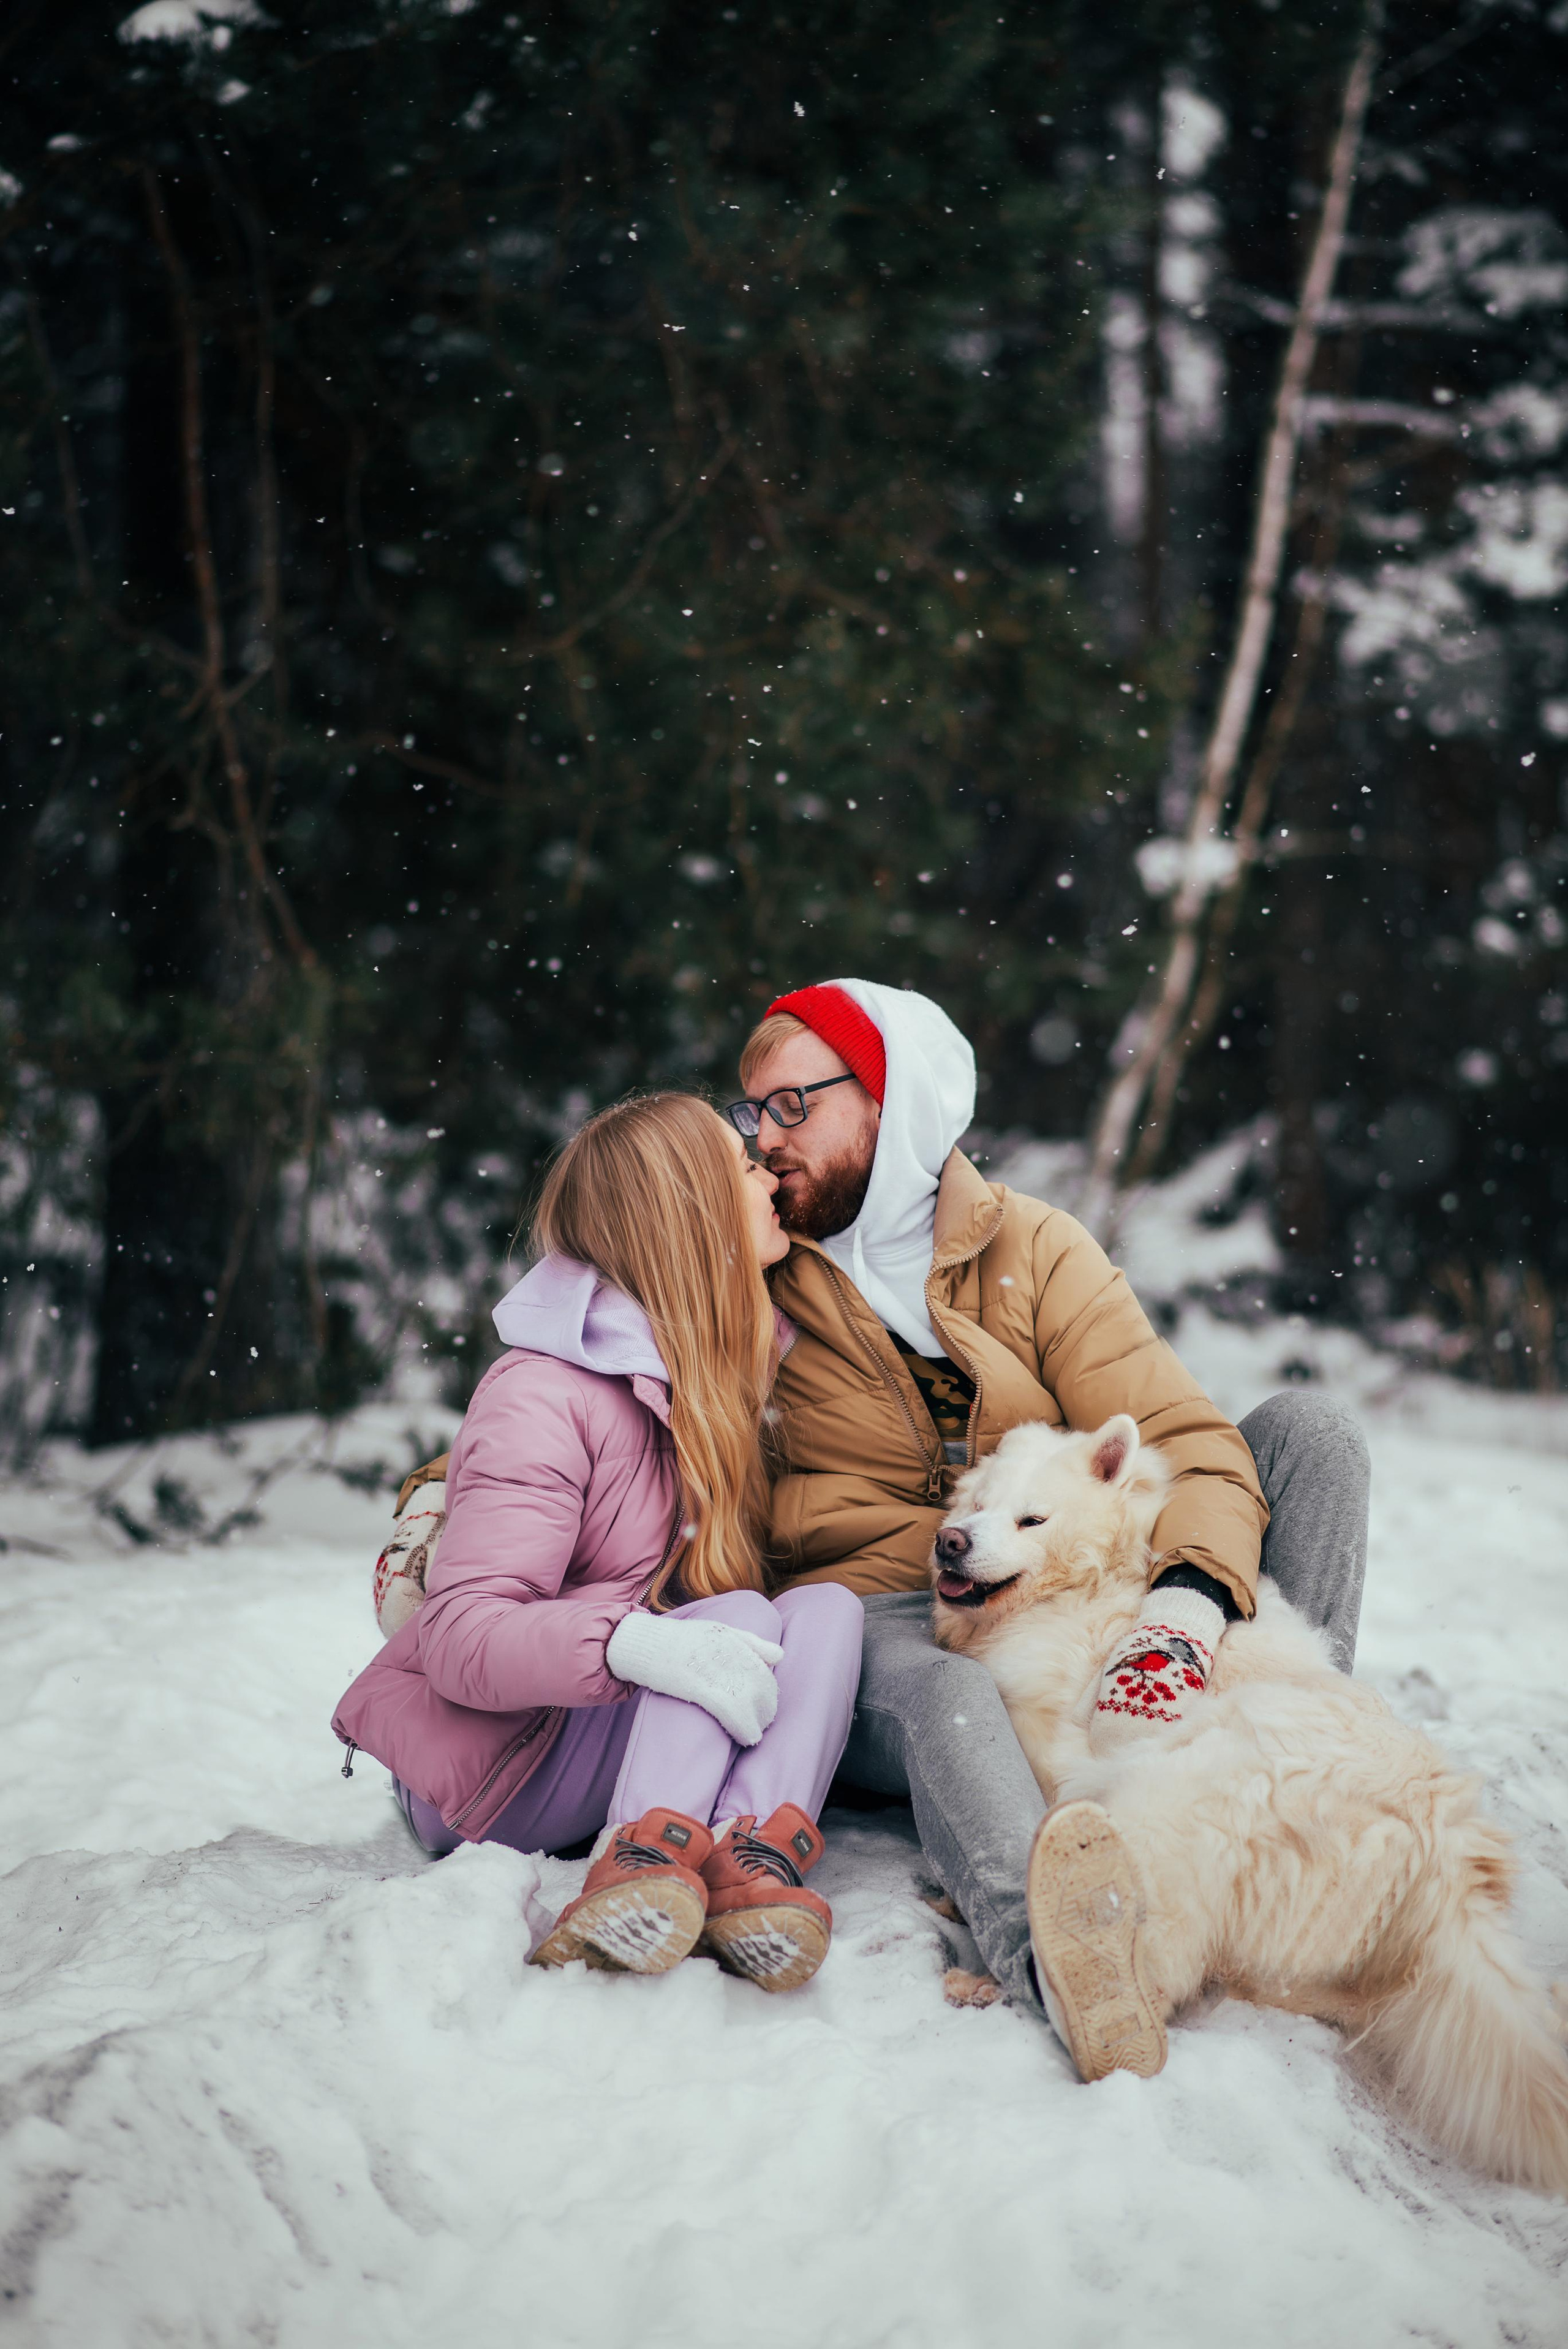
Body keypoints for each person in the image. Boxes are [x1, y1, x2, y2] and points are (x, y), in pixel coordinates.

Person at [724, 978, 1370, 2068]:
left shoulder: (1029, 1247)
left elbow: (1187, 1434)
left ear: (889, 1102)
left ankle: (1301, 1798)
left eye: (794, 1105)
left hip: (1060, 1592)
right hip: (878, 1621)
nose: (764, 1139)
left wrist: (1184, 1607)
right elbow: (591, 1364)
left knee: (1310, 1435)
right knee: (953, 1687)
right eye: (753, 1112)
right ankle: (1064, 1954)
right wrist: (444, 1500)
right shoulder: (753, 1263)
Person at [333, 1092, 864, 1994]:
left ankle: (749, 1861)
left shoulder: (707, 1376)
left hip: (589, 1738)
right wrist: (634, 1640)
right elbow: (462, 1636)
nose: (770, 1174)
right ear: (690, 1216)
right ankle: (632, 1865)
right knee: (730, 1612)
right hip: (495, 1769)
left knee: (827, 1611)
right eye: (744, 1168)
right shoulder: (541, 1392)